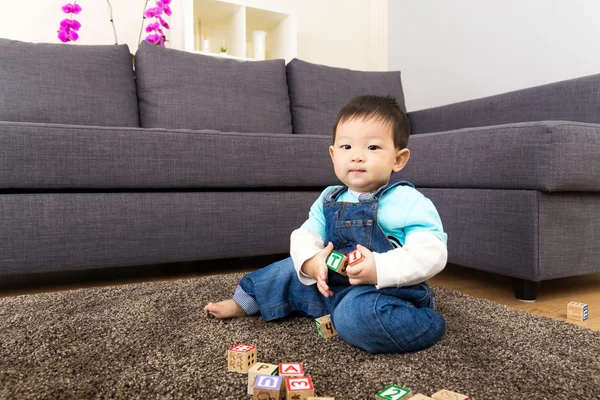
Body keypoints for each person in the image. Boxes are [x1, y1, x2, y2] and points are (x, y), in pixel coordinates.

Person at [204, 94, 447, 354]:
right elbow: (305, 234)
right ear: (333, 154)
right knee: (284, 271)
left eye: (372, 148)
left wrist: (379, 268)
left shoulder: (407, 200)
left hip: (386, 291)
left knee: (356, 318)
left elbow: (432, 252)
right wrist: (312, 261)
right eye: (346, 147)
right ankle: (246, 302)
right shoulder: (329, 197)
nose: (357, 157)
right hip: (330, 284)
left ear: (398, 159)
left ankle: (424, 321)